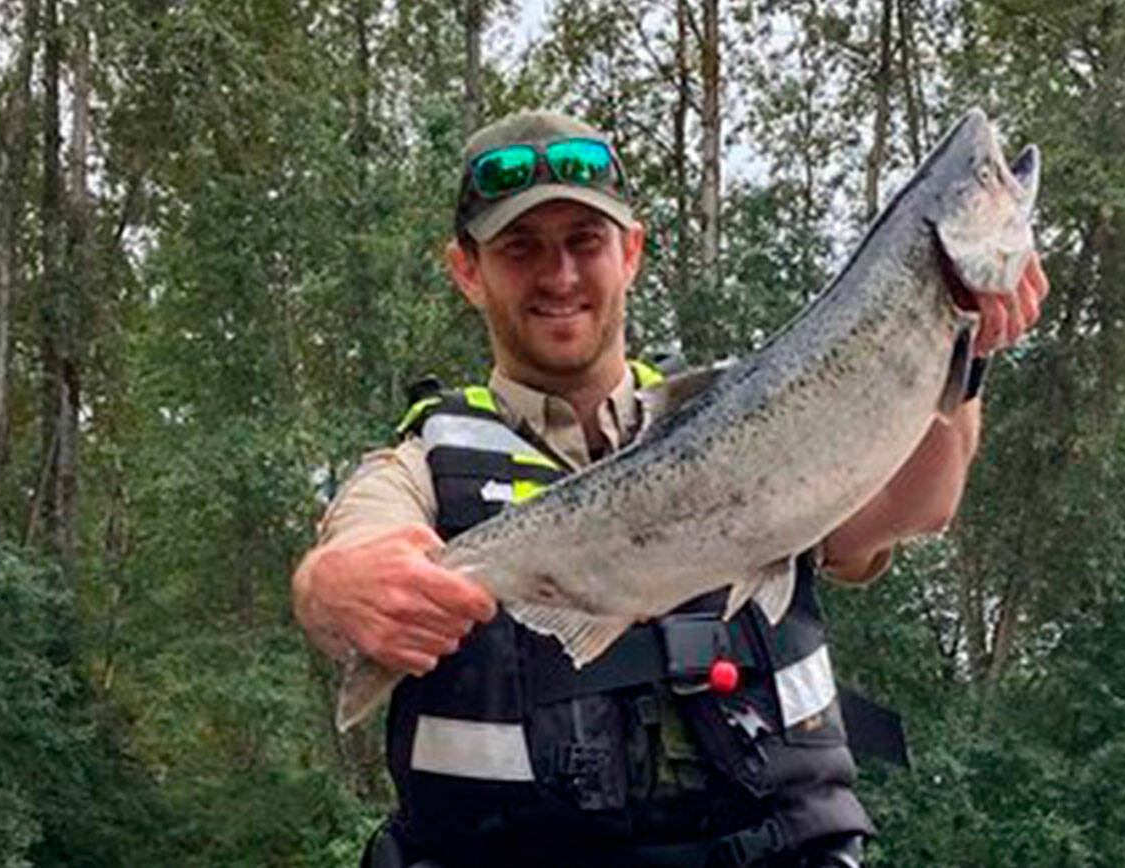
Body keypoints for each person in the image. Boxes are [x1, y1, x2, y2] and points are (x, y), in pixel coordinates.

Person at [291, 109, 1049, 868]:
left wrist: (967, 353)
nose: (559, 276)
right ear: (468, 271)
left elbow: (918, 506)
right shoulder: (421, 461)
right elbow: (356, 546)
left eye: (584, 243)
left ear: (631, 251)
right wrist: (334, 584)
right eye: (522, 249)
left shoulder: (761, 414)